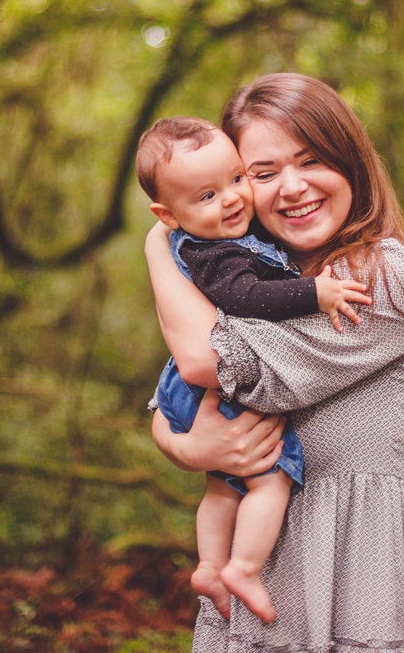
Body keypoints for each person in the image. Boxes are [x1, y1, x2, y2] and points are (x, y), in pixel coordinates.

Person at [145, 73, 404, 653]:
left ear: (352, 163)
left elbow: (203, 361)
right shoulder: (264, 285)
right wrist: (186, 446)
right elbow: (174, 401)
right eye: (263, 173)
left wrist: (158, 251)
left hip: (362, 578)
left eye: (311, 160)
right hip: (266, 583)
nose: (291, 188)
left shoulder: (381, 278)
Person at [135, 115, 373, 623]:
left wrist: (179, 442)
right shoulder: (216, 252)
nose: (231, 199)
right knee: (271, 477)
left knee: (224, 486)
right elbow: (212, 346)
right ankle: (242, 567)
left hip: (186, 386)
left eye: (239, 179)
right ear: (168, 214)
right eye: (206, 196)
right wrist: (316, 292)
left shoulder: (225, 237)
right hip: (206, 388)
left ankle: (209, 564)